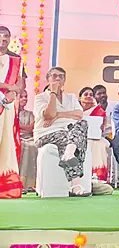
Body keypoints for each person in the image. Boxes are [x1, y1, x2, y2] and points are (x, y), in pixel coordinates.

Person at [34, 67, 90, 197]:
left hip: (68, 131)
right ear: (48, 79)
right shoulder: (40, 98)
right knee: (71, 138)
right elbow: (48, 115)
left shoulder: (71, 97)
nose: (58, 78)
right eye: (54, 76)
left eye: (61, 76)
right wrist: (53, 93)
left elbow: (79, 115)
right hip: (45, 133)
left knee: (82, 124)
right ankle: (75, 185)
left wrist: (58, 115)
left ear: (64, 80)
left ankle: (68, 154)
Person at [0, 26, 25, 198]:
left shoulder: (16, 60)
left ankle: (5, 185)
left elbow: (21, 82)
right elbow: (11, 85)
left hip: (7, 106)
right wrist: (9, 87)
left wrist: (14, 91)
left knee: (6, 143)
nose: (3, 39)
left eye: (6, 36)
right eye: (0, 36)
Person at [79, 87, 110, 182]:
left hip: (96, 137)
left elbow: (103, 129)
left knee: (100, 144)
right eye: (86, 94)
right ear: (80, 97)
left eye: (91, 95)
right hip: (77, 137)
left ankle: (98, 176)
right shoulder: (75, 110)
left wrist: (102, 126)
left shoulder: (98, 110)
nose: (88, 96)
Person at [18, 90, 36, 192]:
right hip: (17, 137)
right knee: (24, 146)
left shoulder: (30, 114)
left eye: (26, 96)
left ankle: (30, 184)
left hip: (29, 137)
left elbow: (30, 128)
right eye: (22, 97)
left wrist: (19, 126)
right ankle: (20, 182)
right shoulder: (10, 112)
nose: (24, 99)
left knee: (33, 146)